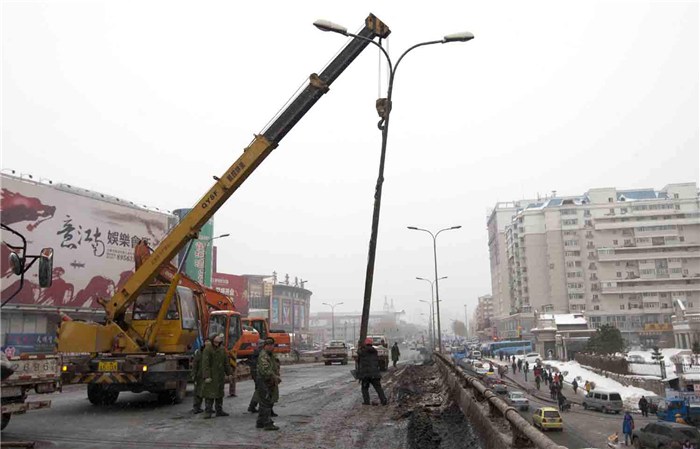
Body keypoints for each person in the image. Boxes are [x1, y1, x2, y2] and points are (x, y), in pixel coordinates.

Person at [201, 333, 232, 419]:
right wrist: (206, 376)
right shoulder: (208, 349)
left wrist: (229, 373)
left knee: (219, 393)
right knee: (210, 394)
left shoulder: (222, 349)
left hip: (220, 375)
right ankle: (208, 411)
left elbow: (226, 363)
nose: (219, 338)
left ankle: (219, 410)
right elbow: (205, 363)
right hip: (212, 375)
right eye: (217, 336)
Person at [256, 338, 281, 431]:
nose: (271, 347)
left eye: (272, 345)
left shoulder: (270, 355)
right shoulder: (264, 356)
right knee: (266, 402)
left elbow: (274, 366)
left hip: (269, 381)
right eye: (269, 345)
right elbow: (265, 370)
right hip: (264, 381)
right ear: (265, 346)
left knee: (264, 402)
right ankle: (267, 423)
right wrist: (275, 377)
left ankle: (260, 421)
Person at [357, 337, 388, 406]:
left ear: (365, 344)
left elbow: (359, 353)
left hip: (366, 375)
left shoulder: (363, 351)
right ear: (371, 344)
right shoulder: (374, 351)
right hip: (375, 374)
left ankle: (366, 401)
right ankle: (383, 400)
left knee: (364, 388)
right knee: (378, 388)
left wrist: (360, 346)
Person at [191, 337, 208, 414]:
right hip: (199, 375)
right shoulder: (199, 352)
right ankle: (196, 407)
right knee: (198, 392)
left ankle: (209, 407)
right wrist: (193, 374)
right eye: (206, 341)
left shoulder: (213, 352)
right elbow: (195, 365)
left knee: (209, 392)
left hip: (209, 375)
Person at [247, 341, 263, 413]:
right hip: (258, 373)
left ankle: (253, 406)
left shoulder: (256, 352)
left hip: (256, 372)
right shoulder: (260, 353)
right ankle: (255, 406)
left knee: (259, 390)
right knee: (260, 390)